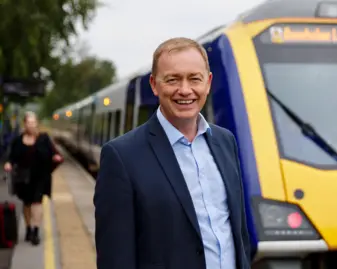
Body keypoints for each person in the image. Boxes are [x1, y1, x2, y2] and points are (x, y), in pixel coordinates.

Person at [94, 37, 251, 269]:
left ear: (208, 82)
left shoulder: (225, 142)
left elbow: (237, 233)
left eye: (194, 79)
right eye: (173, 79)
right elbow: (115, 259)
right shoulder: (121, 157)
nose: (185, 90)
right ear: (154, 85)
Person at [3, 111, 63, 245]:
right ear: (25, 124)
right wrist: (8, 164)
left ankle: (35, 232)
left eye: (33, 122)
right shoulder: (18, 140)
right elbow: (11, 156)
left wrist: (55, 157)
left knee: (37, 203)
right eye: (29, 123)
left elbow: (53, 152)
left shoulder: (44, 138)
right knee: (27, 204)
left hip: (41, 177)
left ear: (37, 123)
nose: (31, 125)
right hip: (23, 178)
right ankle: (28, 228)